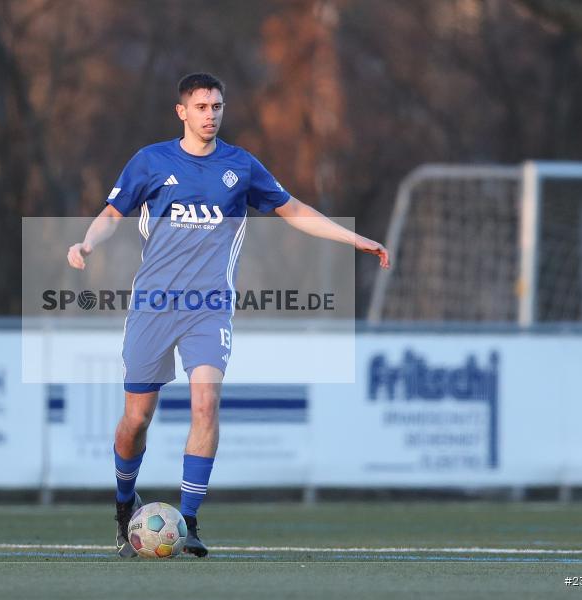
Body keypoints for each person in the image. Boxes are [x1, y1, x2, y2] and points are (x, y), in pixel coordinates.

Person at [67, 72, 390, 558]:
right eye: (201, 107)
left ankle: (190, 521)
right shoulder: (151, 161)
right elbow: (113, 213)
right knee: (136, 420)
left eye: (217, 106)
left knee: (205, 405)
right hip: (153, 305)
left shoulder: (240, 166)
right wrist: (87, 242)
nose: (210, 114)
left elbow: (294, 209)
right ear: (182, 112)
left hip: (209, 308)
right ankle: (122, 506)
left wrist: (352, 238)